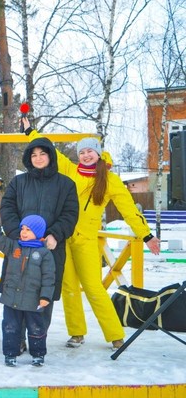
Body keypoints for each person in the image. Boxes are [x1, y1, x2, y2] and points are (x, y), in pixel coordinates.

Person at [22, 118, 161, 350]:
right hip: (62, 236)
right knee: (67, 287)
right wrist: (29, 131)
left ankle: (115, 334)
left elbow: (128, 210)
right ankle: (76, 332)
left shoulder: (110, 180)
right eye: (82, 152)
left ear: (98, 154)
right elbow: (49, 148)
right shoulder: (69, 169)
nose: (86, 155)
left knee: (94, 287)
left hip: (86, 240)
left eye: (90, 151)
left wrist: (146, 235)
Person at [0, 136, 78, 350]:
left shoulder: (66, 184)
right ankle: (18, 340)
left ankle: (37, 340)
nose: (38, 158)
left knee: (43, 295)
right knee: (17, 292)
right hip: (20, 249)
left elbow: (70, 214)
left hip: (49, 250)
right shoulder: (19, 182)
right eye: (33, 154)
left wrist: (55, 235)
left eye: (43, 153)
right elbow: (6, 208)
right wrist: (18, 234)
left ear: (51, 156)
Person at [0, 209, 55, 367]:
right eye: (23, 229)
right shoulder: (13, 246)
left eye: (28, 230)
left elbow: (49, 277)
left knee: (36, 328)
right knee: (10, 327)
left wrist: (45, 296)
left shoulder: (44, 254)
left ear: (38, 232)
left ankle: (38, 354)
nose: (23, 232)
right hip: (12, 299)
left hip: (33, 300)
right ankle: (10, 353)